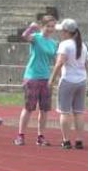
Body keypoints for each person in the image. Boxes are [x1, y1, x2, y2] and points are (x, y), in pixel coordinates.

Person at [14, 15, 57, 146]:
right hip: (32, 76)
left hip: (45, 78)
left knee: (44, 110)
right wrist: (31, 27)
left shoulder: (53, 43)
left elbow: (56, 61)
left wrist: (54, 77)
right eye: (48, 26)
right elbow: (24, 36)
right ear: (42, 26)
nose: (50, 29)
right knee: (29, 108)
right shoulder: (36, 38)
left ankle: (40, 136)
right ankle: (20, 135)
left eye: (52, 26)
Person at [48, 18, 88, 149]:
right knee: (79, 112)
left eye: (62, 31)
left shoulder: (65, 45)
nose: (60, 33)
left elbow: (59, 63)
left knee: (64, 112)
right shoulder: (82, 45)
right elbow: (87, 64)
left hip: (67, 80)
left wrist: (52, 80)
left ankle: (66, 140)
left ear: (67, 32)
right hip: (81, 80)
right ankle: (79, 140)